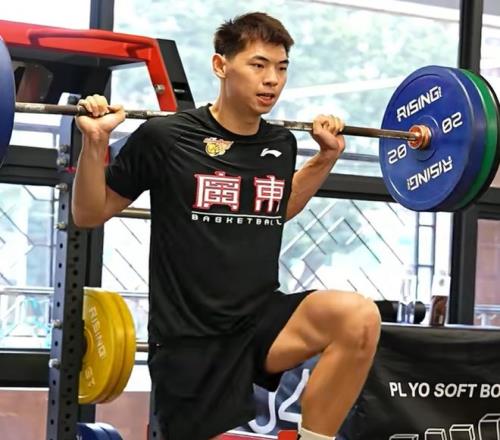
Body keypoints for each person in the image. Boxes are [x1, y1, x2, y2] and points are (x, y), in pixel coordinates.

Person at [72, 11, 381, 440]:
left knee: (357, 317)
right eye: (258, 65)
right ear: (221, 65)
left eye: (281, 68)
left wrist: (325, 158)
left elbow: (275, 208)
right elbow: (89, 213)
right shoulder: (165, 137)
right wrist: (95, 143)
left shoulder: (280, 143)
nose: (272, 80)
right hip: (190, 338)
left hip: (258, 320)